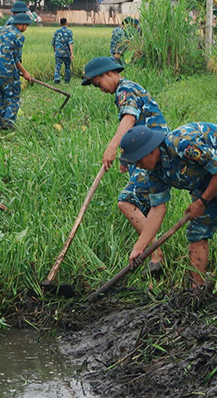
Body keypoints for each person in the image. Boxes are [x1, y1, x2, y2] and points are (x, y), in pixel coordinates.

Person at [119, 123, 217, 286]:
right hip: (207, 180)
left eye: (138, 160)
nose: (137, 166)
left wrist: (202, 202)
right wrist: (139, 248)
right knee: (197, 232)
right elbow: (157, 208)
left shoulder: (182, 145)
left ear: (151, 150)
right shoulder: (154, 171)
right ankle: (196, 290)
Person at [81, 56, 169, 272]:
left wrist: (112, 146)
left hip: (152, 154)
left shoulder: (125, 89)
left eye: (98, 84)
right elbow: (138, 125)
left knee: (126, 201)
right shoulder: (128, 88)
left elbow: (129, 118)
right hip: (148, 151)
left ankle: (156, 254)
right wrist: (126, 156)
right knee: (145, 205)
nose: (100, 89)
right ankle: (156, 263)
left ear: (108, 74)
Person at [0, 12, 34, 130]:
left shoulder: (1, 30)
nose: (25, 29)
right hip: (8, 72)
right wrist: (25, 73)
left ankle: (0, 124)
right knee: (13, 98)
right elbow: (16, 59)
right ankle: (8, 126)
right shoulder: (19, 36)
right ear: (21, 25)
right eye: (26, 26)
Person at [52, 18, 74, 83]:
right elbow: (70, 43)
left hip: (58, 52)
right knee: (67, 67)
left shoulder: (56, 32)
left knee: (57, 66)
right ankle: (67, 80)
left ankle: (56, 78)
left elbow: (53, 42)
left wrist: (55, 50)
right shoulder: (69, 32)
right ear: (66, 23)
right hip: (66, 53)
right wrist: (71, 53)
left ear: (60, 24)